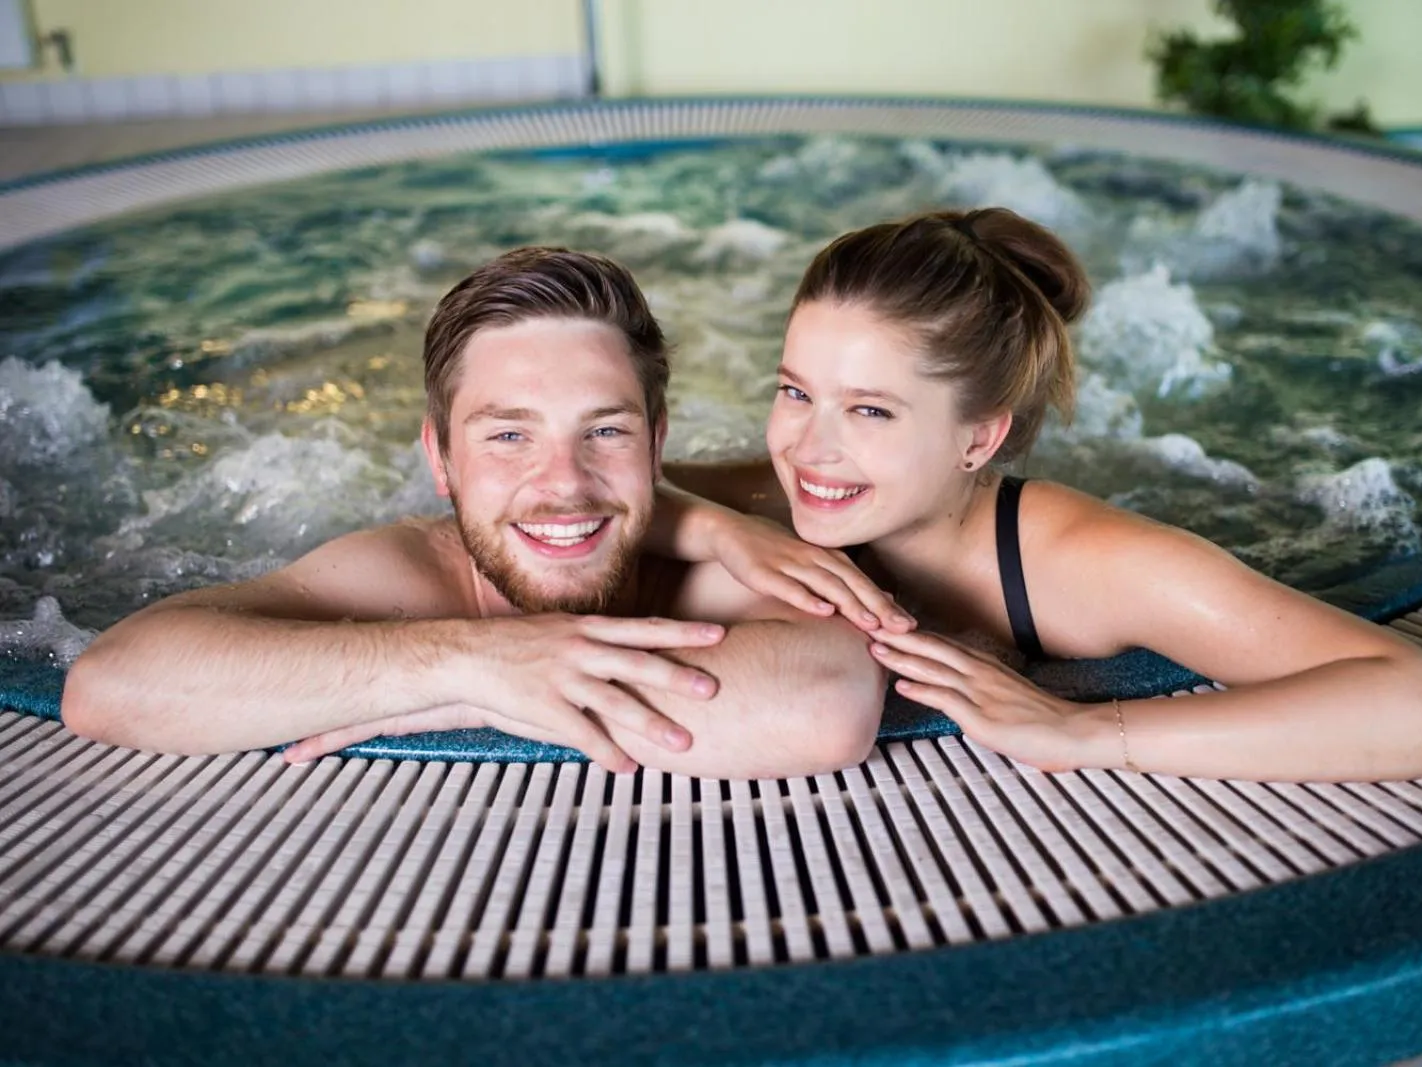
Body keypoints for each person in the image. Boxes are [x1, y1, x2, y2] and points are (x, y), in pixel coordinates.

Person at [651, 208, 1422, 782]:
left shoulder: (1088, 566)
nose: (807, 446)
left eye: (870, 410)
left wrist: (1086, 731)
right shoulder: (782, 491)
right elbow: (625, 496)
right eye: (795, 391)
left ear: (978, 438)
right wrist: (711, 530)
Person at [61, 247, 885, 780]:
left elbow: (827, 699)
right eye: (508, 436)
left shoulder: (715, 569)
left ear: (657, 443)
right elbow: (109, 682)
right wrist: (469, 666)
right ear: (441, 460)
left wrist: (501, 693)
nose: (564, 484)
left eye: (605, 431)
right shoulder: (404, 574)